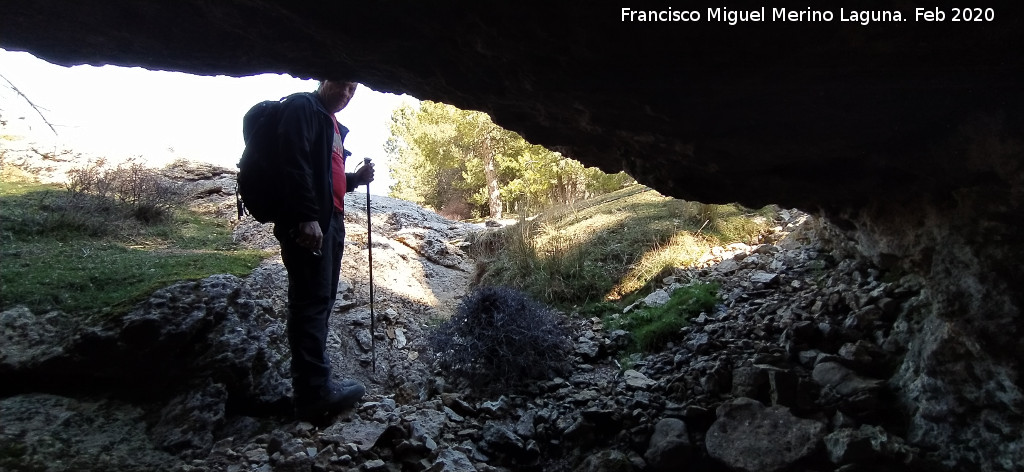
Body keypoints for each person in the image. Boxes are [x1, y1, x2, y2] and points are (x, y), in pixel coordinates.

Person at [272, 79, 373, 423]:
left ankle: (314, 385)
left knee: (321, 300)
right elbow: (293, 161)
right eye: (341, 86)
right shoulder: (303, 107)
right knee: (311, 302)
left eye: (352, 91)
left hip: (330, 221)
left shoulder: (330, 123)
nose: (345, 95)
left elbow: (325, 175)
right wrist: (305, 216)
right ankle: (313, 393)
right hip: (310, 223)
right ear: (323, 79)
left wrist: (355, 178)